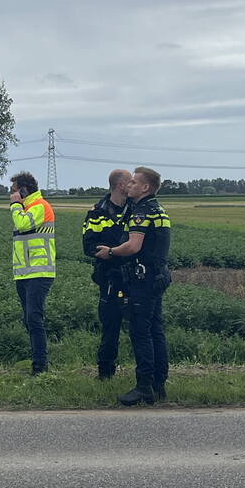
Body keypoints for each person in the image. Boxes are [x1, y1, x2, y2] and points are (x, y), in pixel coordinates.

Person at [96, 166, 171, 405]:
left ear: (145, 187)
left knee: (141, 332)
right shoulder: (158, 209)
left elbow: (133, 246)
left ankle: (144, 386)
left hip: (144, 279)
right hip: (158, 277)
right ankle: (159, 384)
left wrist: (110, 252)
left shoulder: (142, 211)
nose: (129, 185)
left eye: (134, 183)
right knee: (156, 330)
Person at [81, 169, 132, 380]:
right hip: (109, 278)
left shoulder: (137, 209)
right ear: (121, 185)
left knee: (139, 327)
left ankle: (145, 375)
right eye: (131, 182)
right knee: (110, 327)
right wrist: (115, 254)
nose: (134, 185)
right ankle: (105, 373)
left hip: (133, 277)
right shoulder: (96, 212)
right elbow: (89, 245)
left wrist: (111, 250)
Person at [8, 171, 56, 376]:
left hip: (40, 271)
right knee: (29, 319)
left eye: (13, 190)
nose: (11, 194)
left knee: (34, 318)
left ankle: (40, 366)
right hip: (24, 273)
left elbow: (22, 224)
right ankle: (37, 362)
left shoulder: (39, 206)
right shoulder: (29, 207)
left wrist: (15, 205)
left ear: (23, 190)